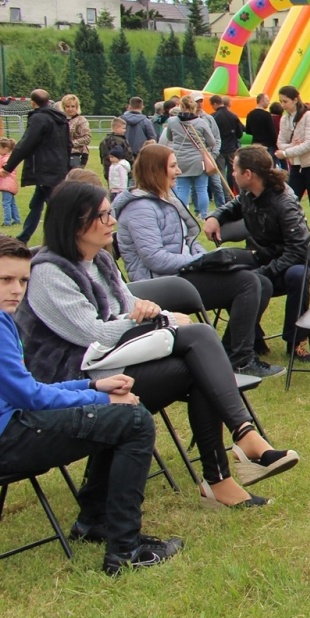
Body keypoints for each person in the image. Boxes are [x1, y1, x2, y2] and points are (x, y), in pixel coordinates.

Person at [20, 181, 302, 504]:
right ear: (75, 221)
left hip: (116, 364)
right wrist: (161, 320)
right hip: (78, 383)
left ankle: (224, 474)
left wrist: (154, 316)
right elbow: (94, 334)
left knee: (199, 362)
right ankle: (242, 443)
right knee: (199, 344)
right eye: (103, 215)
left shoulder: (101, 260)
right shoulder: (49, 273)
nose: (112, 221)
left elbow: (130, 309)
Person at [0, 235, 180, 573]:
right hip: (8, 438)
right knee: (134, 421)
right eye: (5, 280)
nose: (16, 289)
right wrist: (102, 396)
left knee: (120, 416)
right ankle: (124, 551)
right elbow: (30, 397)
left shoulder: (4, 319)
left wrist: (92, 383)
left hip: (12, 425)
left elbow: (28, 389)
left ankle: (95, 521)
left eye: (23, 280)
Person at [114, 144, 279, 377]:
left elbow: (190, 240)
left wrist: (208, 259)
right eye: (173, 166)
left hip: (180, 274)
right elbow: (154, 259)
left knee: (261, 282)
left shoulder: (166, 199)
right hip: (160, 284)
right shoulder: (140, 209)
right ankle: (240, 360)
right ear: (155, 171)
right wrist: (199, 261)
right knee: (247, 283)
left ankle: (229, 351)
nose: (179, 171)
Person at [205, 145, 310, 366]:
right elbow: (233, 207)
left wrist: (264, 272)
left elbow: (299, 250)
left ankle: (296, 340)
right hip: (261, 258)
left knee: (299, 275)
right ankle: (254, 338)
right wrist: (216, 216)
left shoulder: (284, 202)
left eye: (235, 169)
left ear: (249, 174)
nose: (232, 174)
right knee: (231, 276)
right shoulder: (248, 193)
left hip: (286, 265)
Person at [5, 89, 71, 244]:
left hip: (45, 169)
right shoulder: (61, 119)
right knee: (36, 204)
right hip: (57, 167)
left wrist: (8, 167)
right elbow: (67, 145)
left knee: (54, 207)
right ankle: (23, 238)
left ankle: (65, 238)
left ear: (32, 102)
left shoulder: (39, 118)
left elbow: (26, 144)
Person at [273, 86, 310, 236]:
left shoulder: (309, 116)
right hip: (296, 167)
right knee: (291, 203)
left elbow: (309, 144)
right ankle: (297, 235)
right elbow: (280, 142)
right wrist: (291, 146)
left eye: (285, 101)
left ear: (295, 100)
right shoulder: (285, 119)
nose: (283, 105)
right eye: (281, 101)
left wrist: (286, 152)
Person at [159, 94, 220, 217]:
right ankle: (203, 215)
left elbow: (169, 137)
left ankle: (183, 215)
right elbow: (212, 142)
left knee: (182, 189)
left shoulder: (172, 121)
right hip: (198, 159)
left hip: (180, 158)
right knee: (201, 188)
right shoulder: (200, 122)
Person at [209, 95, 244, 191]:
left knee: (221, 173)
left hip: (219, 149)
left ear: (215, 104)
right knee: (234, 172)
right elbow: (240, 133)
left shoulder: (213, 117)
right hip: (232, 148)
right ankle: (239, 193)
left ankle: (226, 195)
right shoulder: (233, 116)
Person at [60, 94, 90, 169]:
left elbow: (87, 138)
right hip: (62, 154)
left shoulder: (81, 120)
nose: (70, 109)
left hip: (76, 154)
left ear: (77, 107)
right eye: (67, 106)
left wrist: (71, 144)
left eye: (73, 106)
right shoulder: (60, 120)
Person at [0, 138, 18, 226]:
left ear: (5, 149)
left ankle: (7, 221)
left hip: (6, 184)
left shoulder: (6, 159)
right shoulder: (9, 158)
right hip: (11, 184)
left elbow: (4, 171)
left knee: (6, 203)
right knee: (12, 203)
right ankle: (17, 220)